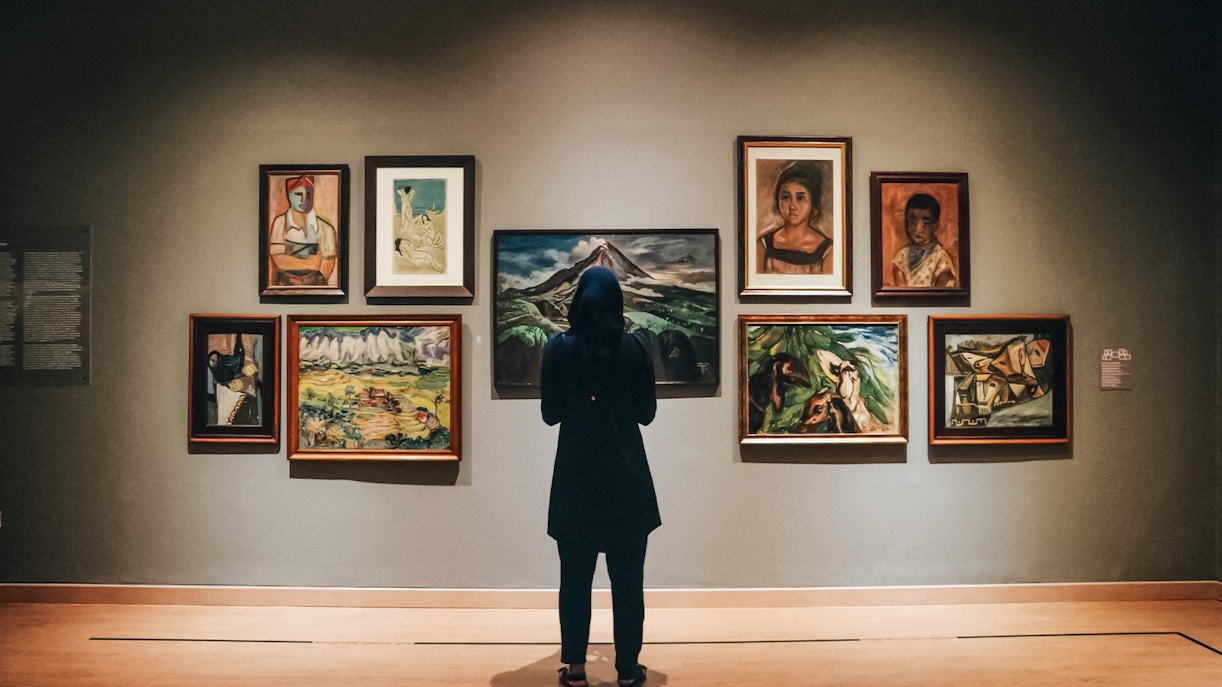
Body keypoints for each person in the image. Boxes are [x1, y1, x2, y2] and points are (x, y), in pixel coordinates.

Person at [541, 266, 659, 687]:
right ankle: (627, 668)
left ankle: (574, 667)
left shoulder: (558, 348)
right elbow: (646, 414)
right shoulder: (635, 348)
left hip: (575, 478)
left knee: (574, 578)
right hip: (626, 477)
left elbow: (550, 414)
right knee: (628, 582)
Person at [756, 161, 833, 274]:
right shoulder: (763, 246)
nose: (792, 206)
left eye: (800, 198)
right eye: (786, 197)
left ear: (812, 204)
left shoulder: (827, 251)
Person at [268, 175, 338, 286]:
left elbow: (327, 264)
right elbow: (279, 262)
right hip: (284, 284)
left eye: (309, 194)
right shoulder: (280, 223)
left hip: (315, 285)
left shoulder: (326, 228)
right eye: (298, 194)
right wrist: (313, 258)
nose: (304, 199)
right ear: (289, 196)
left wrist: (288, 252)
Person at [890, 192, 957, 288]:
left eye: (925, 224)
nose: (917, 230)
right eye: (912, 222)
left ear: (936, 228)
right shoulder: (902, 256)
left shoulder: (940, 258)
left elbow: (939, 293)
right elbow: (901, 292)